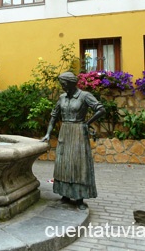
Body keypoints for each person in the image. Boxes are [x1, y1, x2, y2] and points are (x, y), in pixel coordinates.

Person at [41, 71, 105, 210]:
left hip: (78, 132)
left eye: (63, 84)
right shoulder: (62, 97)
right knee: (63, 164)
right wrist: (48, 133)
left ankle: (79, 198)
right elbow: (54, 116)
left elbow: (100, 109)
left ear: (70, 83)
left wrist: (87, 123)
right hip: (65, 132)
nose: (62, 86)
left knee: (78, 164)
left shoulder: (84, 96)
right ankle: (65, 195)